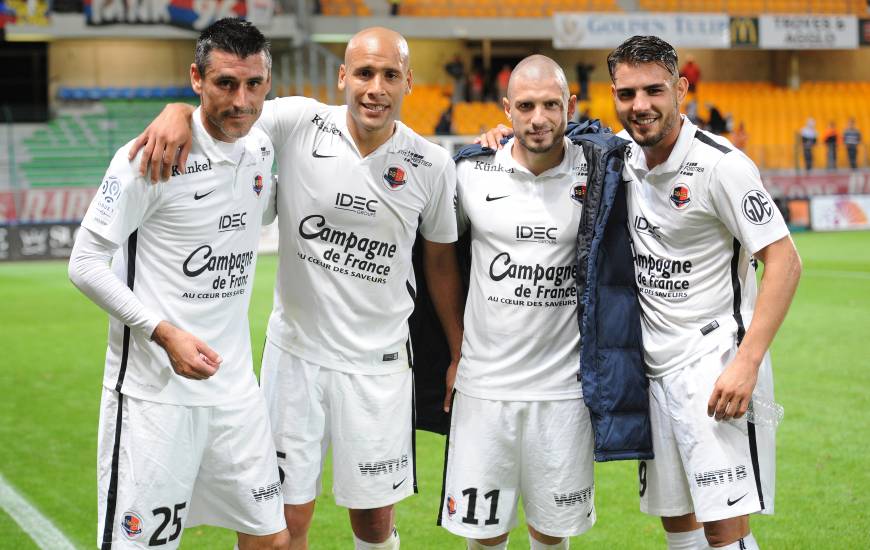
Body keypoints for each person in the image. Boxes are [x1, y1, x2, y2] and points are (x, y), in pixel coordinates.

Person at [129, 27, 464, 550]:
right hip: (296, 360)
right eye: (364, 73)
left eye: (389, 76)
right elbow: (230, 107)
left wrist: (458, 351)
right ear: (342, 77)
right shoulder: (299, 120)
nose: (375, 87)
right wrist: (177, 109)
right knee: (283, 522)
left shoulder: (432, 165)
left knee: (374, 523)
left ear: (408, 84)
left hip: (378, 368)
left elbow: (441, 264)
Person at [67, 18, 289, 550]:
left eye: (254, 84)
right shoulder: (151, 157)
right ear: (196, 78)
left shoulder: (260, 149)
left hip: (236, 390)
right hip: (153, 397)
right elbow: (85, 261)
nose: (242, 100)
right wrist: (162, 332)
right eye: (225, 84)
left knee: (270, 540)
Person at [607, 35, 801, 550]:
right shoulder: (621, 156)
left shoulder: (722, 166)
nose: (640, 105)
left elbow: (784, 262)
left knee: (724, 523)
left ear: (681, 89)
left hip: (715, 362)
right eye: (627, 94)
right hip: (653, 369)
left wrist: (747, 361)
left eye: (654, 90)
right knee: (677, 520)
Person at [441, 55, 596, 550]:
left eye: (551, 105)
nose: (538, 118)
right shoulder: (471, 173)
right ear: (506, 110)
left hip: (564, 392)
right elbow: (439, 258)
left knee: (552, 533)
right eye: (525, 106)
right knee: (484, 533)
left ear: (570, 106)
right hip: (485, 388)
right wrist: (456, 350)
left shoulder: (601, 170)